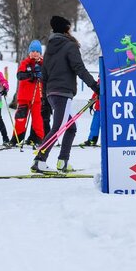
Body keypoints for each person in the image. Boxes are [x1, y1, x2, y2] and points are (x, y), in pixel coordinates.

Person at [31, 15, 99, 173]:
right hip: (62, 92)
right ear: (66, 29)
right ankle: (39, 161)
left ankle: (62, 161)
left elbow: (44, 75)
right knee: (59, 127)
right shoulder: (70, 46)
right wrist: (95, 86)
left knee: (70, 128)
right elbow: (79, 68)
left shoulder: (49, 48)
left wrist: (45, 100)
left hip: (52, 93)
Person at [13, 40, 46, 146]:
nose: (35, 53)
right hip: (24, 97)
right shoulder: (25, 63)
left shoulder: (43, 64)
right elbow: (19, 76)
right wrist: (31, 75)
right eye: (33, 51)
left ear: (40, 53)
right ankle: (16, 139)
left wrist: (42, 75)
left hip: (36, 98)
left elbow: (47, 77)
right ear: (29, 52)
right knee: (20, 118)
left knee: (37, 119)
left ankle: (39, 138)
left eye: (37, 51)